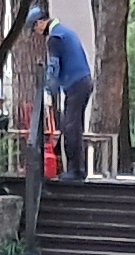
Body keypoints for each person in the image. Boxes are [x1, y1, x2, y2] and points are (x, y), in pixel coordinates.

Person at [39, 6, 92, 178]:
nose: (36, 32)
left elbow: (54, 67)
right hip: (83, 81)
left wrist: (48, 90)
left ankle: (75, 170)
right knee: (74, 125)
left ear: (41, 22)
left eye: (34, 27)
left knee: (70, 127)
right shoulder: (65, 32)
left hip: (75, 83)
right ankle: (77, 168)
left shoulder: (55, 38)